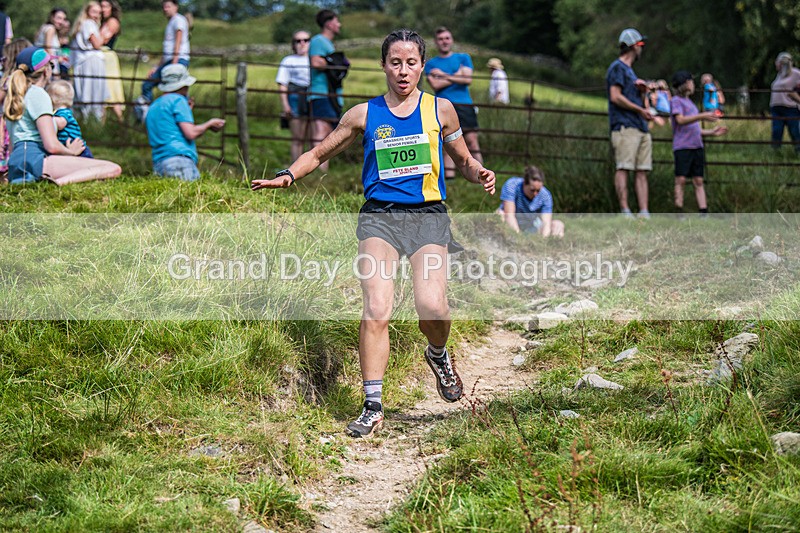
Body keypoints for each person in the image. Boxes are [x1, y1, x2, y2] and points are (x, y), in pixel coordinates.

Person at [251, 29, 496, 438]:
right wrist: (288, 175)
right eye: (395, 62)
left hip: (428, 217)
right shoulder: (363, 115)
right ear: (383, 65)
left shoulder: (442, 110)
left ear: (423, 66)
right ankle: (372, 404)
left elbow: (465, 160)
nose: (403, 71)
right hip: (379, 217)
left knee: (432, 307)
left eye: (412, 63)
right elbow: (318, 152)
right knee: (376, 308)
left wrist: (479, 173)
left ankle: (438, 353)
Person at [4, 47, 121, 185]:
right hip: (35, 160)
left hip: (16, 162)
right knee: (112, 168)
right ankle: (58, 183)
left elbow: (12, 147)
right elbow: (51, 145)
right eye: (51, 65)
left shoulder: (15, 97)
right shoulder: (38, 94)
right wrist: (72, 152)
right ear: (46, 71)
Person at [145, 64, 225, 181]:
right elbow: (191, 133)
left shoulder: (154, 105)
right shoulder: (179, 100)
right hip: (179, 161)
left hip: (159, 162)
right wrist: (209, 124)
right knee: (190, 197)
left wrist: (186, 112)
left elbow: (167, 127)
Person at [606, 28, 654, 219]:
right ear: (634, 46)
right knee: (623, 167)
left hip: (640, 126)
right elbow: (615, 97)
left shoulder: (631, 72)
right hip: (624, 126)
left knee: (642, 170)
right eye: (641, 45)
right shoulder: (617, 68)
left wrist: (642, 93)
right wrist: (639, 110)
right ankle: (625, 210)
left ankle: (644, 212)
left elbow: (634, 99)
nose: (642, 49)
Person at [425, 26, 482, 179]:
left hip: (464, 105)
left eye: (447, 38)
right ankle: (450, 177)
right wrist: (457, 75)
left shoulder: (463, 58)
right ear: (436, 42)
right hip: (443, 106)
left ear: (452, 40)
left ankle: (481, 174)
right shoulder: (431, 64)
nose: (444, 42)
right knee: (447, 141)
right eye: (441, 39)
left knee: (471, 140)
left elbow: (468, 80)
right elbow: (435, 85)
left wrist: (444, 75)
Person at [670, 71, 727, 217]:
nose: (693, 84)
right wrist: (703, 115)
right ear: (685, 84)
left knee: (698, 180)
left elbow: (695, 129)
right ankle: (679, 211)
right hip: (683, 147)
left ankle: (703, 212)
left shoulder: (690, 103)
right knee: (681, 179)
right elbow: (681, 120)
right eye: (691, 81)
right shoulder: (676, 101)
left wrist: (712, 132)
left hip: (696, 146)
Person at [135, 0, 191, 122]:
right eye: (164, 6)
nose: (165, 9)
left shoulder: (178, 20)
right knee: (150, 84)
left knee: (177, 89)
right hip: (170, 60)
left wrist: (175, 62)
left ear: (175, 7)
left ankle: (182, 117)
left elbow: (178, 41)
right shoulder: (172, 22)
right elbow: (167, 49)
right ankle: (151, 116)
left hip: (177, 60)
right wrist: (157, 66)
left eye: (168, 6)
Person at [308, 9, 343, 172]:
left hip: (331, 94)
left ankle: (321, 170)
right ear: (329, 23)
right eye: (337, 21)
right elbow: (315, 62)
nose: (339, 25)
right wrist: (333, 63)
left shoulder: (328, 43)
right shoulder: (318, 41)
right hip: (320, 92)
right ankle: (317, 170)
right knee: (321, 130)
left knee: (329, 132)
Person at [497, 165, 564, 237]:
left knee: (558, 225)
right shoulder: (512, 185)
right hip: (511, 222)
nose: (535, 194)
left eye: (538, 190)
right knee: (500, 214)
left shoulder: (545, 195)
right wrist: (518, 237)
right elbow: (509, 215)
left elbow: (546, 223)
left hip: (532, 224)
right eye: (532, 190)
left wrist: (544, 239)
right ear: (524, 183)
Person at [276, 30, 311, 163]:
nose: (302, 43)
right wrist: (285, 105)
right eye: (298, 41)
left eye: (306, 40)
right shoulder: (288, 60)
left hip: (312, 97)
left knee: (313, 137)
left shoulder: (314, 59)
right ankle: (295, 168)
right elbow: (282, 84)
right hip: (295, 97)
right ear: (293, 44)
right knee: (298, 137)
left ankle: (309, 168)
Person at [71, 1, 108, 121]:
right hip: (91, 62)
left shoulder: (85, 24)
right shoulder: (89, 24)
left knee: (89, 90)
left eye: (99, 12)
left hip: (87, 61)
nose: (96, 15)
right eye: (94, 12)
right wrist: (104, 36)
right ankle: (92, 119)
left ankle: (88, 118)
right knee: (92, 91)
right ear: (87, 12)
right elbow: (96, 44)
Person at [1, 38, 31, 176]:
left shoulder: (9, 81)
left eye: (4, 58)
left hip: (6, 124)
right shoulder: (28, 83)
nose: (2, 61)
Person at [48, 80, 94, 158]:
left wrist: (47, 119)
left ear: (53, 99)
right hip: (71, 147)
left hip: (78, 149)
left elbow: (61, 123)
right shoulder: (63, 112)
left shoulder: (63, 112)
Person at [769, 52, 800, 154]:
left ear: (781, 62)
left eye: (777, 62)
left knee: (794, 130)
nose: (775, 64)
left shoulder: (796, 73)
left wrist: (794, 95)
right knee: (777, 130)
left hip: (790, 107)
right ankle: (776, 151)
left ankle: (798, 150)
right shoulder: (779, 75)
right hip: (776, 108)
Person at [100, 0, 124, 121]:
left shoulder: (112, 21)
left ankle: (121, 122)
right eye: (101, 6)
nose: (103, 9)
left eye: (106, 6)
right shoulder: (102, 22)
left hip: (107, 57)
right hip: (101, 57)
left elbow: (102, 39)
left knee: (112, 91)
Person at [34, 8, 70, 78]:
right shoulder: (51, 29)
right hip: (49, 67)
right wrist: (54, 68)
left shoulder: (44, 27)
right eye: (59, 18)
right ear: (52, 17)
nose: (61, 22)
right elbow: (48, 48)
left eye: (63, 19)